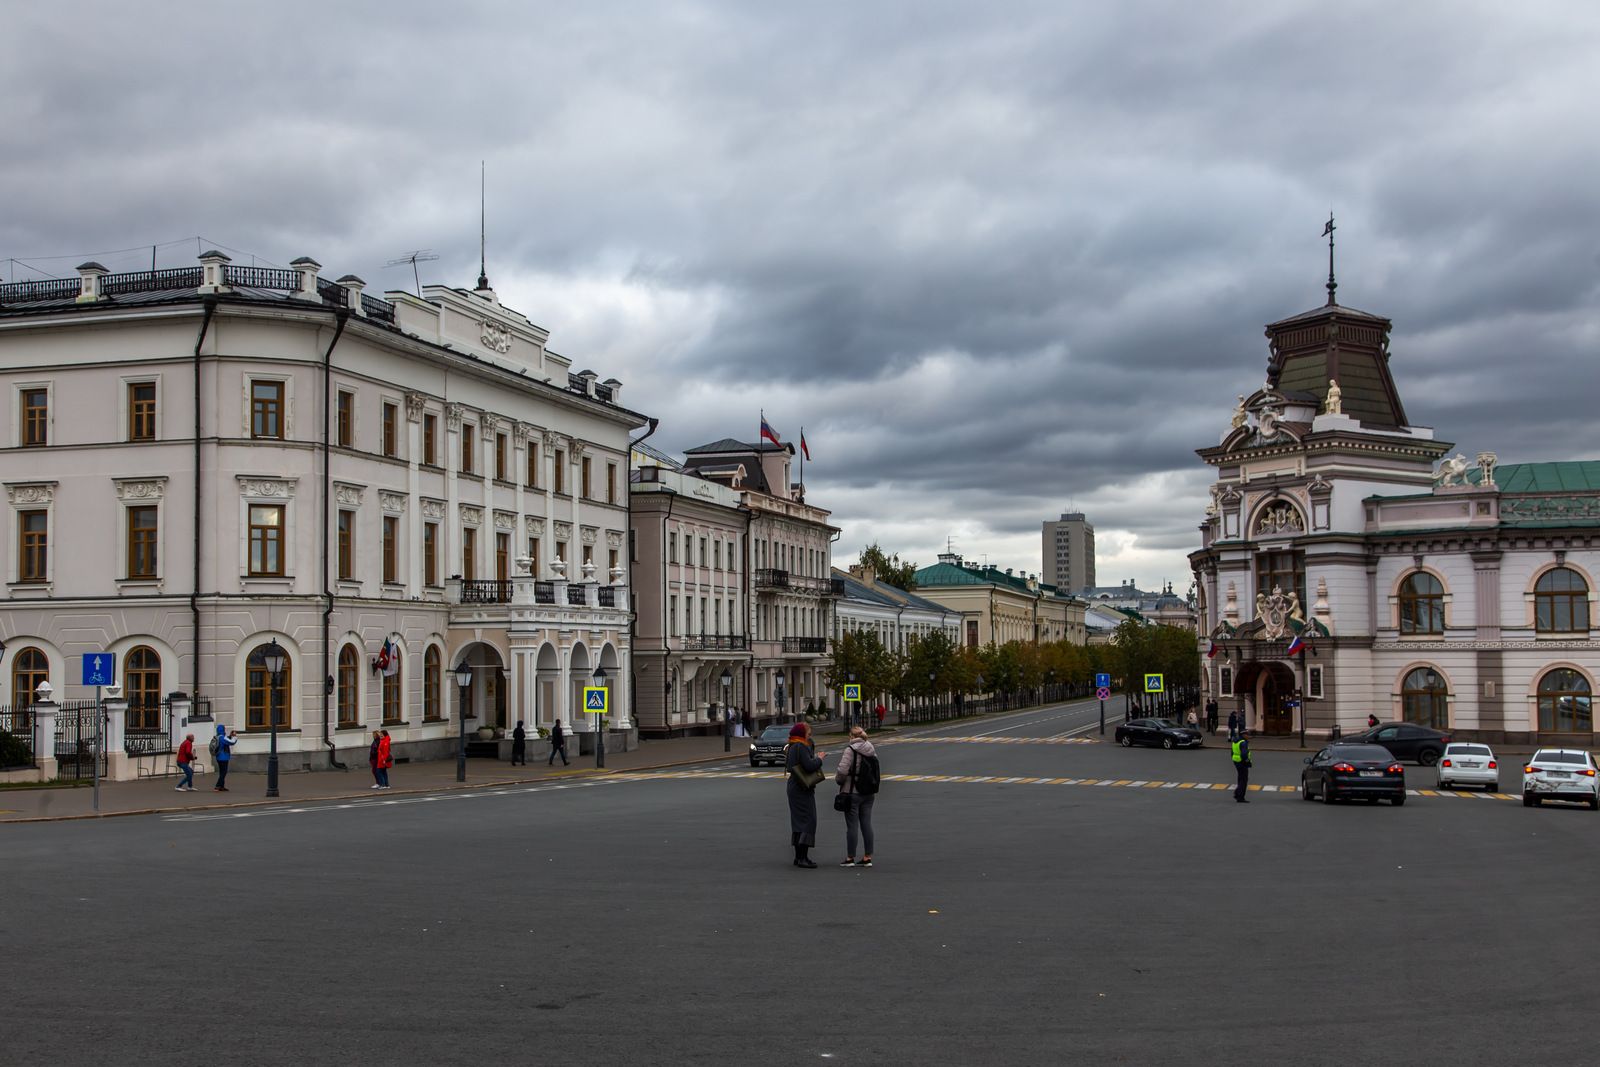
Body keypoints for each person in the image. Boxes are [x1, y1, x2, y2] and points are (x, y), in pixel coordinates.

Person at [784, 721, 826, 868]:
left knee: (798, 821)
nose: (810, 736)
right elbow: (809, 766)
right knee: (808, 820)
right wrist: (819, 759)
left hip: (794, 786)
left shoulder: (792, 745)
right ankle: (803, 858)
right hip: (802, 787)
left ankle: (798, 857)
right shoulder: (801, 746)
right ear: (802, 734)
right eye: (808, 733)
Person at [834, 726, 877, 867]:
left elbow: (842, 771)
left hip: (852, 791)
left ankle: (850, 857)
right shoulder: (870, 747)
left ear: (851, 736)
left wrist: (839, 781)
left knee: (852, 825)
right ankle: (867, 857)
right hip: (868, 792)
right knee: (866, 823)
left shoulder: (850, 750)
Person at [212, 724, 237, 791]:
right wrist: (234, 737)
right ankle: (217, 786)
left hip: (218, 757)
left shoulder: (217, 737)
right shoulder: (222, 737)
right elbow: (232, 742)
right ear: (223, 730)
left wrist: (230, 736)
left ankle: (221, 786)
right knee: (224, 772)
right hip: (224, 757)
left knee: (221, 772)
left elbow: (227, 740)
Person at [1232, 729, 1252, 803]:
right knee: (1244, 780)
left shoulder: (1235, 741)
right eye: (1247, 734)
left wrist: (1234, 760)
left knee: (1240, 778)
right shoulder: (1243, 743)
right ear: (1243, 735)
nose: (1248, 736)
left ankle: (1237, 793)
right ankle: (1240, 797)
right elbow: (1244, 754)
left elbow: (1232, 752)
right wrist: (1247, 762)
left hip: (1237, 762)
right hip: (1242, 762)